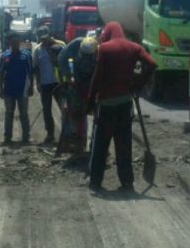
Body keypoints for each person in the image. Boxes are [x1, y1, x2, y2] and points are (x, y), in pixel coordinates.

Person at [88, 21, 156, 193]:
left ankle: (95, 182)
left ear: (108, 32)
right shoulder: (134, 47)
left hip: (106, 104)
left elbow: (97, 77)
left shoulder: (104, 49)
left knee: (101, 145)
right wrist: (137, 83)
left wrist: (90, 100)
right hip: (126, 103)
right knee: (124, 144)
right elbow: (152, 64)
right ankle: (127, 182)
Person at [57, 36, 98, 155]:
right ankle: (75, 142)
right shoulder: (75, 45)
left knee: (98, 116)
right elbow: (61, 58)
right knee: (75, 113)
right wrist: (68, 76)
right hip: (77, 83)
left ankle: (94, 145)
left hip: (92, 84)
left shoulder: (100, 50)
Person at [0, 31, 33, 144]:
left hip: (23, 90)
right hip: (8, 90)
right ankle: (7, 137)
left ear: (19, 43)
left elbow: (30, 73)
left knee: (24, 113)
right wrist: (0, 88)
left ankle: (26, 137)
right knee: (9, 113)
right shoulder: (5, 56)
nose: (15, 44)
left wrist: (31, 86)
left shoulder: (26, 55)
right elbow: (1, 73)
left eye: (16, 42)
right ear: (10, 43)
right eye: (13, 42)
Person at [32, 26, 65, 143]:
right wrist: (38, 83)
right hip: (45, 84)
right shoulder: (37, 50)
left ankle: (66, 133)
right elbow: (36, 68)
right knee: (46, 110)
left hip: (58, 83)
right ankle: (50, 133)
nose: (44, 41)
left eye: (45, 38)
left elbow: (63, 64)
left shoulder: (60, 45)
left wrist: (52, 54)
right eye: (42, 39)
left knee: (64, 109)